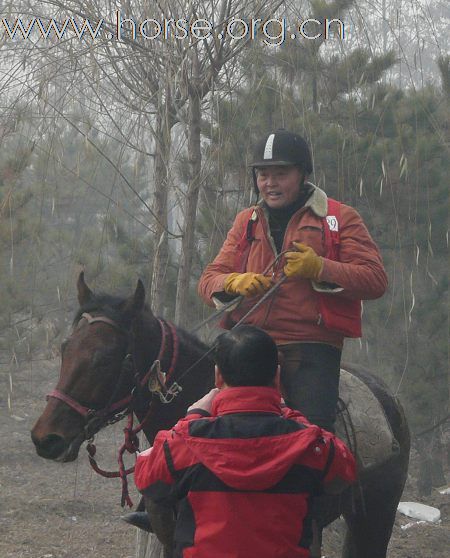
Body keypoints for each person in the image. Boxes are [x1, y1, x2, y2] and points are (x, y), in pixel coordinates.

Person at [198, 129, 388, 433]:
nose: (270, 183)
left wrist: (320, 268)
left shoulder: (340, 218)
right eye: (263, 175)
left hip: (310, 347)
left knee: (314, 430)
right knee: (199, 418)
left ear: (301, 174)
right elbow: (208, 280)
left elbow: (375, 279)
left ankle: (321, 474)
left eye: (280, 174)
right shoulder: (245, 221)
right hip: (246, 343)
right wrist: (233, 282)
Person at [134, 325, 356, 558]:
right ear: (277, 376)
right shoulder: (312, 445)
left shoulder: (184, 440)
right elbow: (345, 470)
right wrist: (292, 415)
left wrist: (192, 417)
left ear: (218, 376)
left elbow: (146, 475)